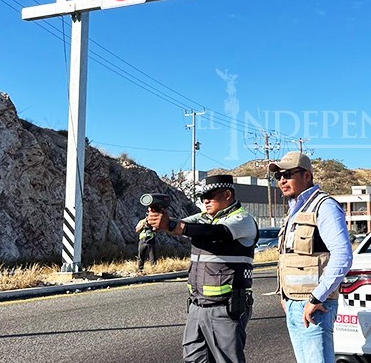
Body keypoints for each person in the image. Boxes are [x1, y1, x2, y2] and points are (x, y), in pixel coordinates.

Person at [147, 175, 259, 363]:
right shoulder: (203, 218)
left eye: (210, 196)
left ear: (227, 194)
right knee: (194, 358)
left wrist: (173, 225)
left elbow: (215, 232)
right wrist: (156, 220)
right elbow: (181, 225)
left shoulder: (242, 219)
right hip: (197, 306)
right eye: (202, 197)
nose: (205, 201)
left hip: (225, 308)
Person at [272, 152, 353, 363]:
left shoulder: (325, 206)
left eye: (288, 174)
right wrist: (285, 297)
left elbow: (343, 256)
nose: (282, 180)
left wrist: (317, 297)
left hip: (315, 305)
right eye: (278, 176)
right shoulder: (294, 211)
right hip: (294, 303)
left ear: (307, 175)